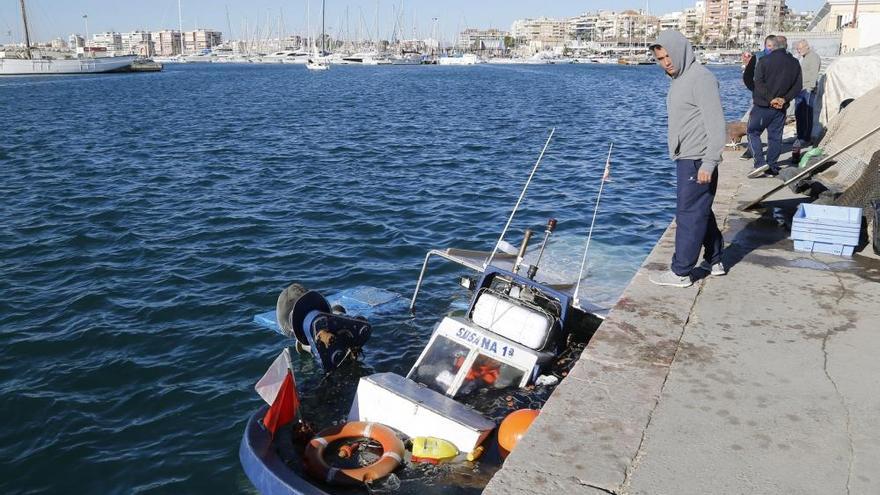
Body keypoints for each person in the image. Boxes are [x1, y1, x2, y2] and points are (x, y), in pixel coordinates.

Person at [648, 30, 726, 288]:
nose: (666, 62)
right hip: (687, 156)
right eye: (661, 58)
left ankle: (681, 272)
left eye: (669, 55)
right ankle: (715, 258)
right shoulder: (680, 78)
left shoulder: (701, 79)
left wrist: (709, 162)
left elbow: (716, 124)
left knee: (689, 214)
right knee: (700, 209)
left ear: (681, 50)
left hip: (697, 158)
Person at [747, 35, 803, 178]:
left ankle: (760, 163)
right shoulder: (795, 63)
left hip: (763, 106)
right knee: (775, 137)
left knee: (753, 132)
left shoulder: (764, 61)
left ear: (774, 46)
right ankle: (771, 165)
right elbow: (798, 86)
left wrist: (771, 99)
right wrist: (784, 99)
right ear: (786, 46)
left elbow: (758, 82)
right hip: (781, 108)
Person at [739, 35, 777, 160]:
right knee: (754, 125)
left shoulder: (781, 57)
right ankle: (751, 150)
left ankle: (771, 159)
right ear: (765, 45)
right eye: (768, 46)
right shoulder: (758, 57)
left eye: (773, 46)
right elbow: (748, 76)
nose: (770, 48)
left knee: (774, 129)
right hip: (759, 96)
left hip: (776, 96)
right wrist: (754, 90)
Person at [794, 40, 821, 150]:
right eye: (797, 49)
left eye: (799, 48)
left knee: (806, 115)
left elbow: (814, 73)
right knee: (799, 114)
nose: (798, 51)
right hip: (801, 89)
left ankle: (806, 138)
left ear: (806, 47)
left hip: (807, 90)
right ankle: (800, 136)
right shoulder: (804, 58)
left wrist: (811, 88)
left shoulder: (813, 57)